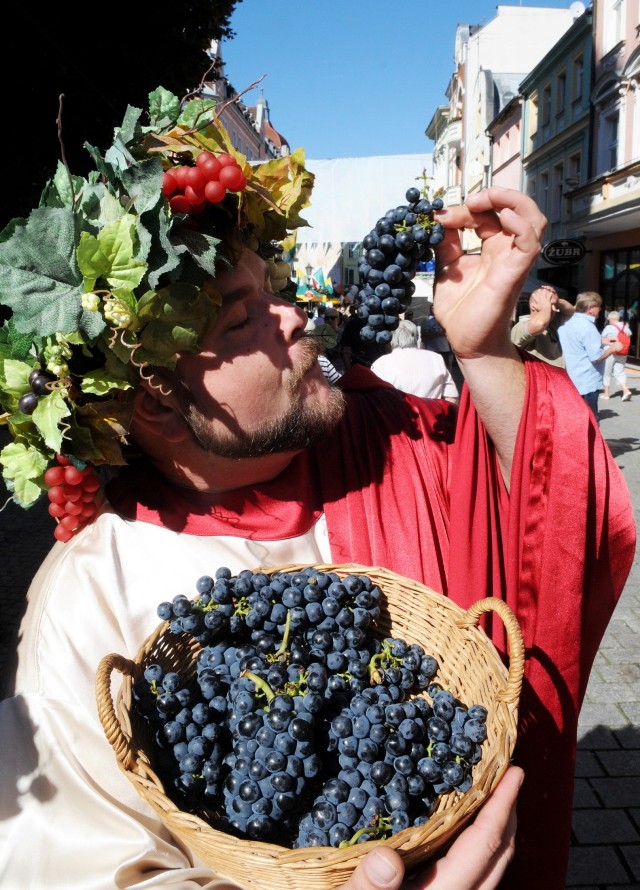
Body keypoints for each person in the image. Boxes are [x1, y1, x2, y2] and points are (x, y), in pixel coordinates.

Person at [0, 87, 635, 890]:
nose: (295, 317)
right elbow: (80, 869)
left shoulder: (379, 436)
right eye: (242, 321)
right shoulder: (96, 589)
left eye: (275, 289)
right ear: (156, 398)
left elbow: (562, 506)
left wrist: (484, 350)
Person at [557, 291, 625, 420]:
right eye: (598, 306)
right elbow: (596, 358)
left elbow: (578, 341)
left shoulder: (569, 323)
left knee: (575, 421)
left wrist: (602, 340)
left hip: (572, 378)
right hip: (586, 382)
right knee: (590, 422)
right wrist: (613, 348)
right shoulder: (588, 327)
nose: (600, 309)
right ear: (590, 309)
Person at [370, 319, 459, 404]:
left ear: (391, 339)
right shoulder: (436, 358)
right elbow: (451, 397)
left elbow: (374, 401)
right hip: (433, 417)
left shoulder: (380, 364)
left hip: (396, 417)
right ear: (416, 336)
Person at [509, 285, 574, 367]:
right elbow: (540, 324)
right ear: (533, 306)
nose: (554, 308)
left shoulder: (550, 325)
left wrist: (557, 300)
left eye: (555, 305)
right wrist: (546, 306)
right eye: (550, 304)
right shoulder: (521, 326)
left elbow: (571, 312)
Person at [601, 310, 633, 401]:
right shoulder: (625, 327)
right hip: (622, 352)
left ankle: (606, 394)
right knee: (620, 371)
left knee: (607, 372)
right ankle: (626, 390)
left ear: (610, 319)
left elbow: (602, 339)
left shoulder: (609, 327)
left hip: (610, 352)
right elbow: (629, 338)